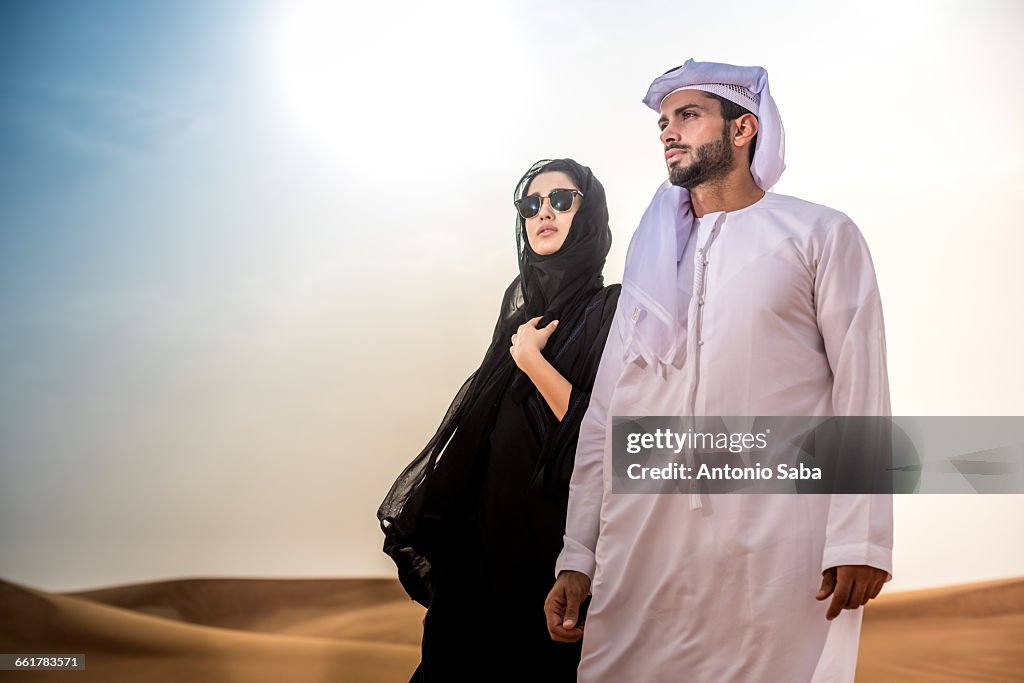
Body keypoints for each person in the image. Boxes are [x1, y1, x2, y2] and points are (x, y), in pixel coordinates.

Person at [544, 60, 893, 682]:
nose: (668, 133)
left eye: (688, 116)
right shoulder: (651, 261)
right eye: (663, 122)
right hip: (645, 539)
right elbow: (604, 419)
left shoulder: (819, 234)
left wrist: (859, 539)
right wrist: (578, 554)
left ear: (743, 129)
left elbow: (860, 389)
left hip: (781, 534)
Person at [377, 159, 621, 681]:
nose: (543, 213)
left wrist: (532, 361)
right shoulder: (517, 319)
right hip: (480, 549)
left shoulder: (613, 312)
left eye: (562, 200)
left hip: (553, 555)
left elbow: (599, 434)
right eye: (530, 205)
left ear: (591, 213)